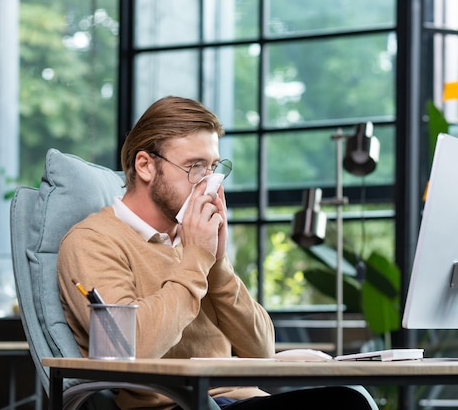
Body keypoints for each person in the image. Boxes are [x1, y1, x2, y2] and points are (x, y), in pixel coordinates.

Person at [57, 96, 376, 410]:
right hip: (179, 406)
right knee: (346, 403)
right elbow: (131, 347)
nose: (207, 184)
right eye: (194, 167)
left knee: (352, 394)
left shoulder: (194, 241)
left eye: (212, 168)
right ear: (145, 166)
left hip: (239, 400)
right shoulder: (93, 241)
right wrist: (197, 258)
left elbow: (261, 351)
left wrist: (218, 263)